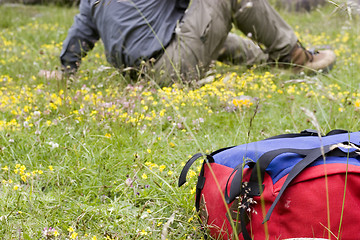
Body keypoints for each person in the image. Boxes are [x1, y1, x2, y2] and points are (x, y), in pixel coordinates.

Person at [58, 0, 336, 84]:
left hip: (140, 76)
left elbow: (77, 37)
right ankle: (296, 57)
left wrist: (65, 72)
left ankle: (269, 62)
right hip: (169, 67)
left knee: (216, 37)